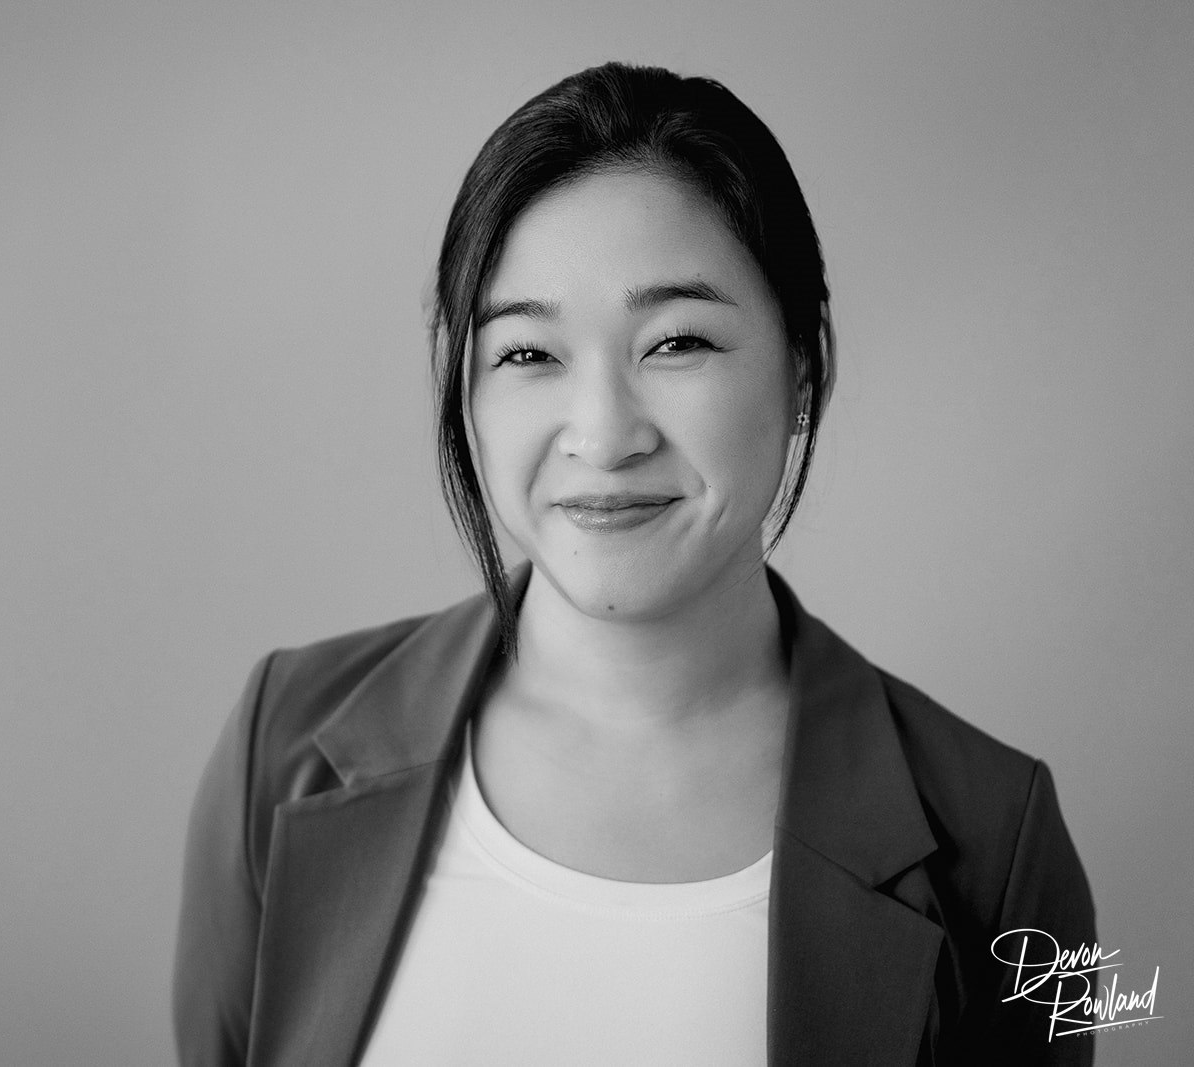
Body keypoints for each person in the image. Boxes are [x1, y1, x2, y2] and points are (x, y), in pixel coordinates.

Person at [172, 62, 1096, 1066]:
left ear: (800, 368)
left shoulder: (1003, 840)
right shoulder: (283, 743)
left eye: (677, 341)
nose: (604, 434)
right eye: (527, 353)